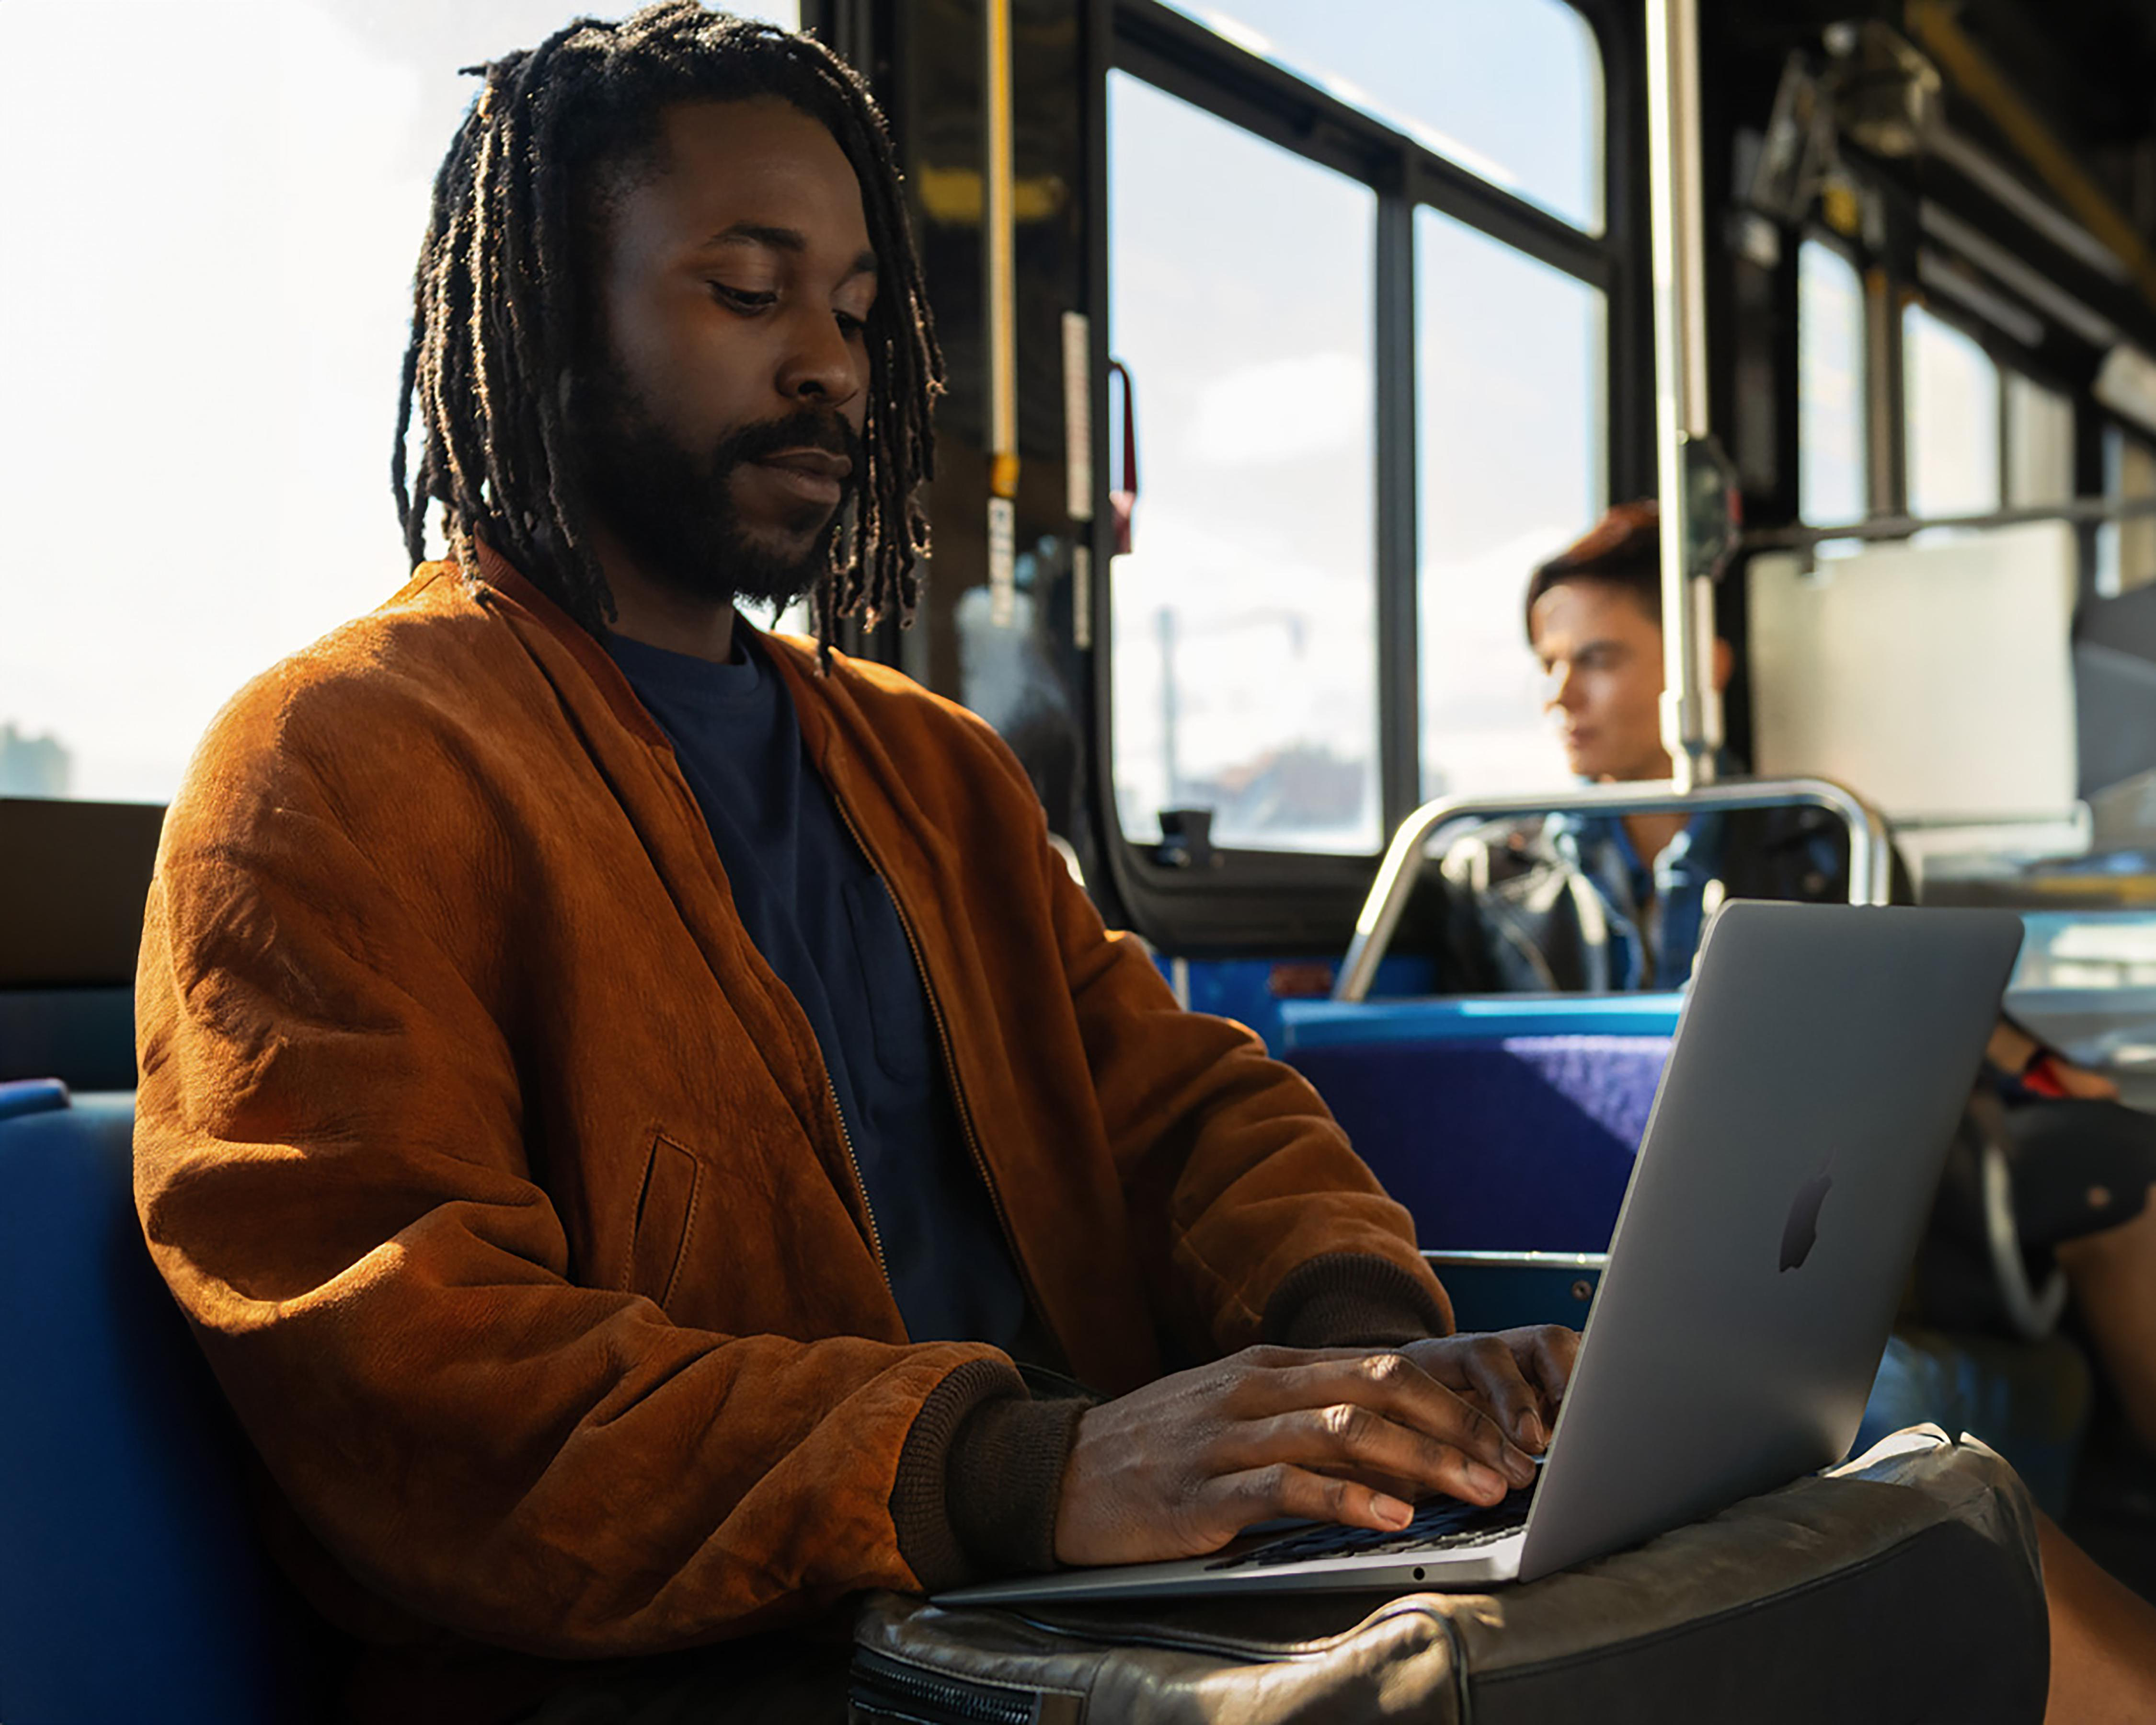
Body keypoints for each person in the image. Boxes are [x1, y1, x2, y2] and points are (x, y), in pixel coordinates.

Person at [131, 12, 1570, 1723]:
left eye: (860, 313)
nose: (829, 364)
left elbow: (1185, 1114)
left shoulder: (929, 768)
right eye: (749, 295)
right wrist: (1020, 1471)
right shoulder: (338, 761)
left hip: (1053, 1609)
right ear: (546, 316)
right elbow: (414, 1375)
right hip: (701, 1664)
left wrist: (1359, 1363)